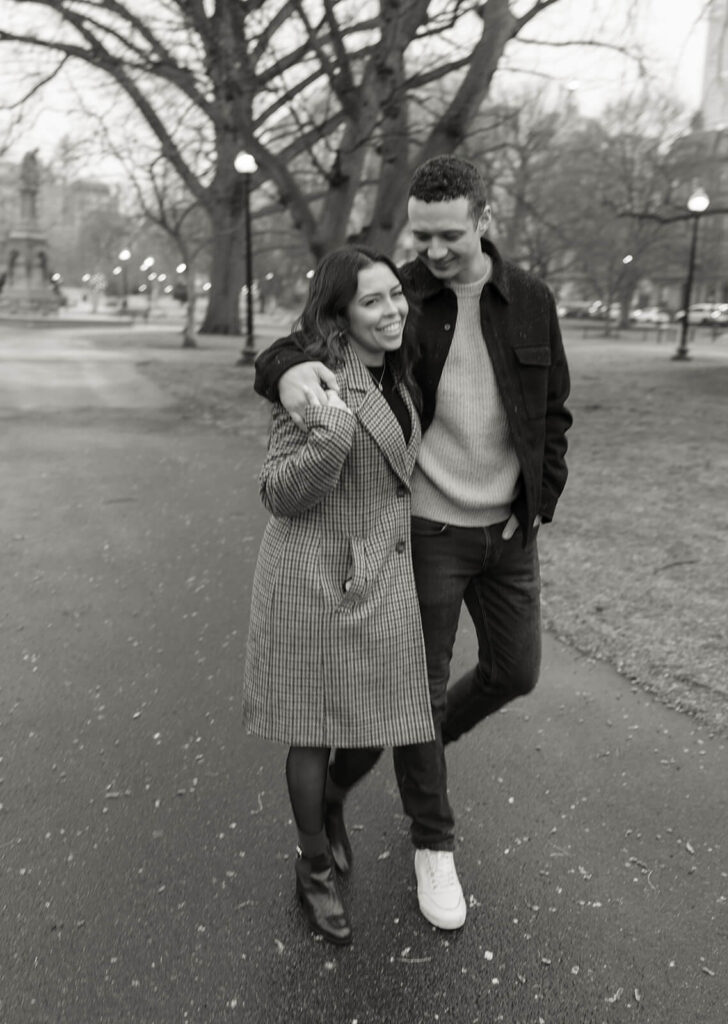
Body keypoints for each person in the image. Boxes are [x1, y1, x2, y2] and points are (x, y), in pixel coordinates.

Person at [253, 155, 572, 933]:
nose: (429, 254)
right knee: (411, 697)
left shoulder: (529, 301)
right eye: (419, 236)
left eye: (448, 235)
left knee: (514, 672)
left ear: (486, 220)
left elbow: (553, 409)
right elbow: (307, 340)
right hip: (424, 533)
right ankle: (432, 842)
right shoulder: (403, 292)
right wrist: (289, 372)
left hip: (508, 529)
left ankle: (412, 744)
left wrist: (542, 498)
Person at [243, 246, 435, 946]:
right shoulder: (317, 383)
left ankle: (327, 805)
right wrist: (331, 433)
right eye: (373, 301)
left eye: (395, 295)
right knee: (313, 730)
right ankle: (313, 865)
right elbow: (276, 491)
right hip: (311, 578)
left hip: (378, 576)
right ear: (341, 314)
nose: (392, 310)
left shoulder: (401, 370)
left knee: (377, 724)